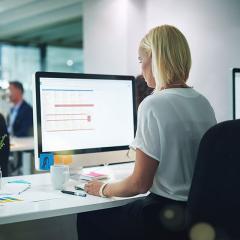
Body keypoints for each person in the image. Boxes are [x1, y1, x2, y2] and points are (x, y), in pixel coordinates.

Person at [77, 25, 217, 240]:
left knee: (88, 216)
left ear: (155, 59)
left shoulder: (153, 104)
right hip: (198, 214)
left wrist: (103, 188)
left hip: (163, 216)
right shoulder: (203, 102)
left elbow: (139, 184)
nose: (141, 69)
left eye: (141, 60)